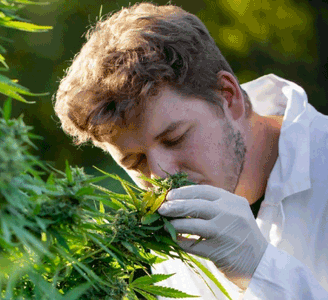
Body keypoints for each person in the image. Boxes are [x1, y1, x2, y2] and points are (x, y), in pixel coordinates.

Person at [53, 3, 328, 299]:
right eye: (136, 161)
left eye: (175, 138)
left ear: (228, 96)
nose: (161, 176)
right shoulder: (167, 240)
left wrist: (259, 269)